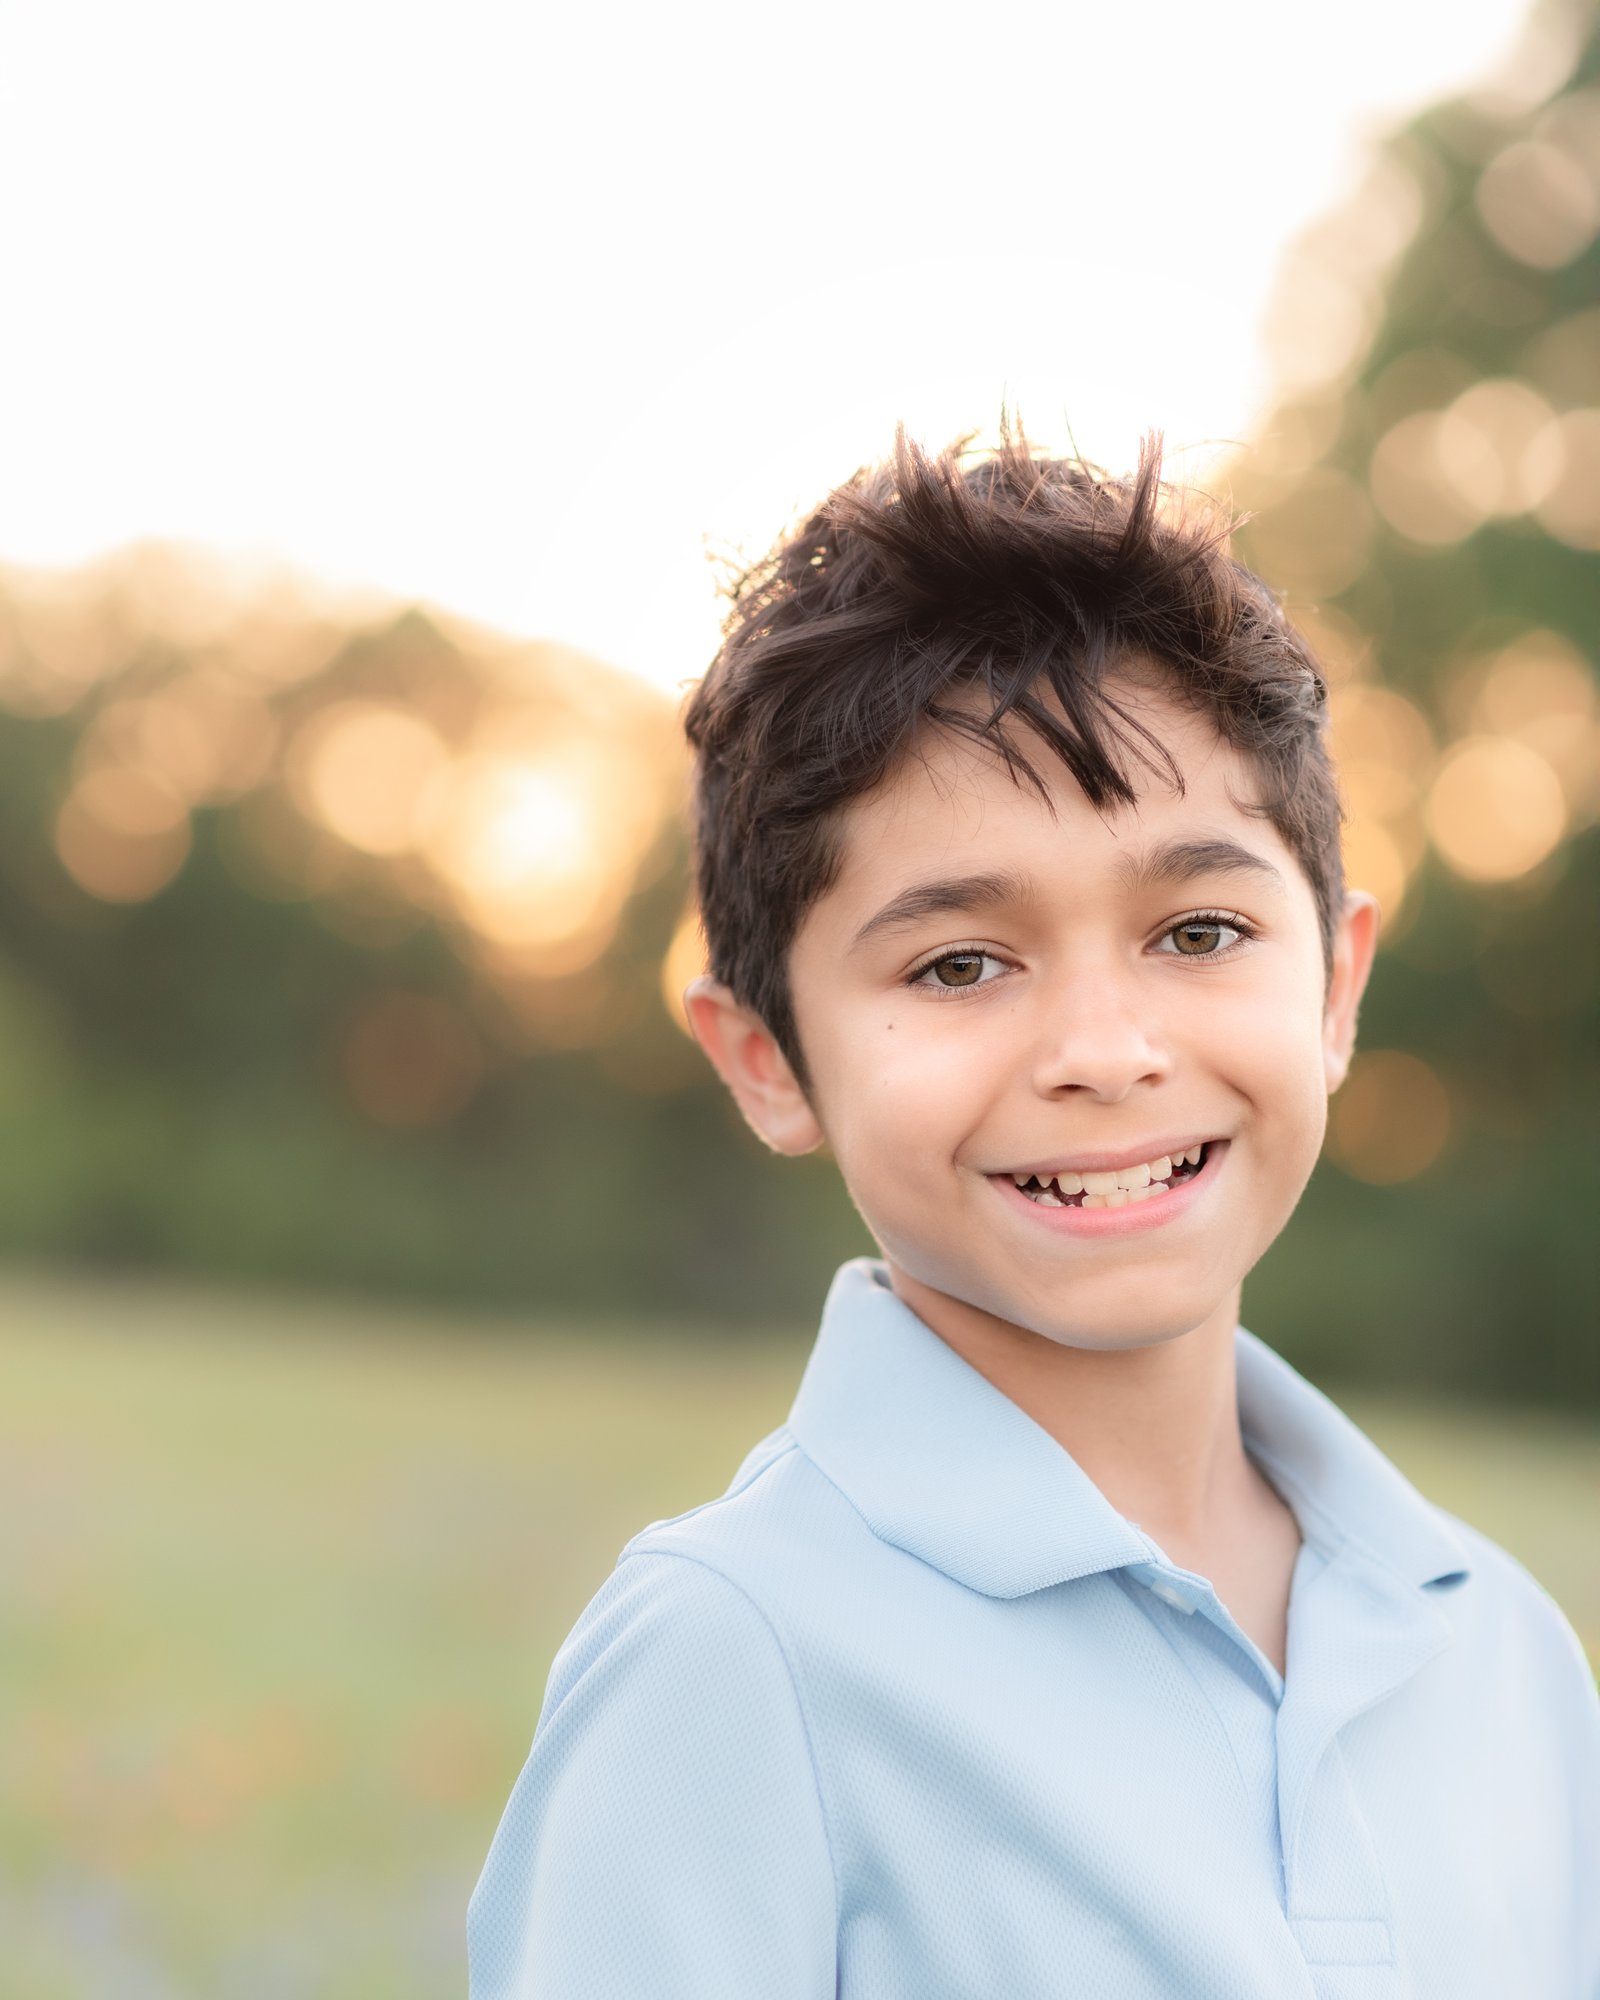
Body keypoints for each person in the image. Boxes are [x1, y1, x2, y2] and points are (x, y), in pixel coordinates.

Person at [467, 427, 1600, 1998]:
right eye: (957, 964)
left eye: (1199, 929)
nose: (1105, 1053)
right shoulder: (735, 1659)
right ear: (767, 1061)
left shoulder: (1499, 1649)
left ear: (1336, 984)